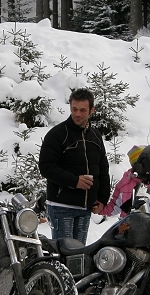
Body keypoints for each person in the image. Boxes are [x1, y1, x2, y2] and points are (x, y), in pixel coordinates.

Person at [38, 88, 110, 244]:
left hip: (85, 208)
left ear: (92, 110)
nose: (77, 114)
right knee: (64, 254)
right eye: (74, 109)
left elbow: (103, 169)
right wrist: (74, 181)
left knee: (79, 255)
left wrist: (102, 198)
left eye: (82, 110)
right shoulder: (57, 134)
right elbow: (46, 167)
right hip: (61, 205)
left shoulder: (96, 136)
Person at [99, 145, 150, 219]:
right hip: (129, 226)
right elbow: (114, 206)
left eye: (149, 165)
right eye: (144, 165)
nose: (147, 169)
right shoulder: (125, 184)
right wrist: (100, 210)